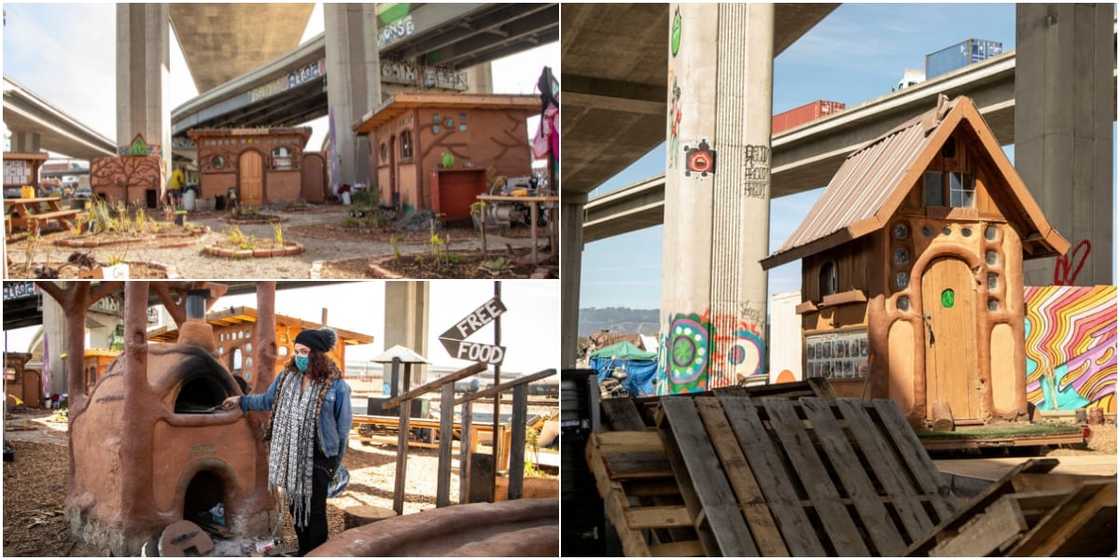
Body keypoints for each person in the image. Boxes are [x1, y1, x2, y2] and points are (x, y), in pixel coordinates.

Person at [222, 327, 352, 556]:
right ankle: (304, 551)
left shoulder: (337, 386)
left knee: (315, 510)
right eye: (297, 351)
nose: (299, 357)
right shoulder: (286, 378)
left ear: (318, 354)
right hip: (290, 455)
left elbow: (343, 430)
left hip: (321, 456)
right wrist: (241, 401)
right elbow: (267, 400)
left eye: (304, 352)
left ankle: (318, 553)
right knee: (295, 508)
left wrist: (335, 463)